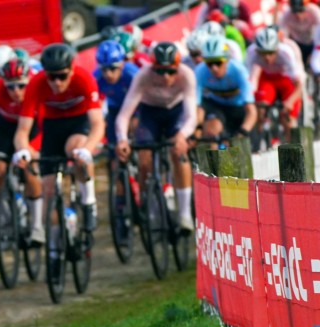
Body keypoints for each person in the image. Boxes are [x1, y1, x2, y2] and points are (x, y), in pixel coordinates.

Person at [14, 43, 104, 235]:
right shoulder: (36, 83)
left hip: (78, 124)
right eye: (51, 77)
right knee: (48, 190)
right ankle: (55, 246)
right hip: (52, 127)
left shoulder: (84, 79)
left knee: (75, 149)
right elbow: (23, 130)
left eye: (62, 76)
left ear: (71, 70)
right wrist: (22, 150)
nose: (56, 82)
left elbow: (97, 123)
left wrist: (87, 150)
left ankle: (89, 202)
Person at [115, 42, 198, 232]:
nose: (166, 77)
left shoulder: (186, 75)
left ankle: (184, 214)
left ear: (178, 67)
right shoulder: (143, 75)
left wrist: (182, 136)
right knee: (144, 161)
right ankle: (151, 205)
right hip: (150, 114)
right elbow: (124, 115)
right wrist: (122, 140)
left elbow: (191, 115)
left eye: (170, 71)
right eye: (160, 72)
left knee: (179, 153)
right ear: (153, 67)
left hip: (175, 114)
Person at [0, 56, 45, 245]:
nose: (16, 92)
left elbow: (45, 126)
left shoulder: (37, 89)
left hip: (33, 129)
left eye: (20, 86)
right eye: (10, 87)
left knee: (29, 170)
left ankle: (37, 226)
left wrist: (32, 151)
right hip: (6, 129)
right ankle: (5, 218)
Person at [246, 26, 304, 139]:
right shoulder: (251, 52)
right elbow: (248, 80)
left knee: (288, 120)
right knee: (260, 106)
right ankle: (261, 136)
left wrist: (290, 102)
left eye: (271, 52)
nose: (267, 57)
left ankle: (291, 143)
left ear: (277, 49)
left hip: (285, 79)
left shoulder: (286, 52)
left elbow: (299, 84)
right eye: (263, 53)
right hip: (267, 78)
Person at [195, 36, 256, 140]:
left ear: (227, 60)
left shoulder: (239, 71)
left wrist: (243, 132)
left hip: (238, 108)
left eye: (218, 62)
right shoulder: (200, 71)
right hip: (216, 107)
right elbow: (197, 107)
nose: (214, 68)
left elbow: (251, 111)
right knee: (210, 132)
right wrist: (197, 129)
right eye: (209, 63)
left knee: (239, 143)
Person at [93, 39, 139, 146]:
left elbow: (145, 97)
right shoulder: (96, 77)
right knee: (112, 140)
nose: (108, 74)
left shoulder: (132, 73)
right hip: (115, 106)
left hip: (136, 105)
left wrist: (136, 116)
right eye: (104, 69)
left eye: (113, 69)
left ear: (122, 65)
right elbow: (96, 104)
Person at [278, 0, 320, 65]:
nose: (299, 15)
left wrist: (317, 48)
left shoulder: (314, 11)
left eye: (301, 11)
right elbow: (282, 34)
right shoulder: (287, 15)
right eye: (296, 12)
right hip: (297, 44)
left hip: (313, 42)